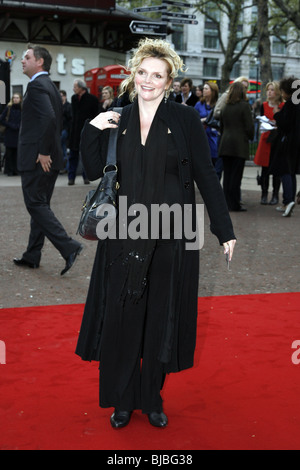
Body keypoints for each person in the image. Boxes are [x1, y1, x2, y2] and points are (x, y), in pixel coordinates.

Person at [75, 38, 236, 429]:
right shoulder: (117, 117)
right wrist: (90, 128)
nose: (149, 80)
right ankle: (124, 399)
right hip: (123, 231)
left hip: (172, 231)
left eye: (158, 75)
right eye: (143, 72)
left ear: (169, 81)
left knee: (160, 317)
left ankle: (152, 396)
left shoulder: (183, 121)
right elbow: (94, 171)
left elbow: (206, 176)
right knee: (124, 317)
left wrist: (223, 228)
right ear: (134, 75)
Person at [13, 45, 83, 274]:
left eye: (27, 57)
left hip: (39, 159)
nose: (23, 61)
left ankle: (69, 246)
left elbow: (49, 118)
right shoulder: (50, 87)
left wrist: (43, 152)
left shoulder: (36, 86)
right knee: (40, 206)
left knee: (35, 204)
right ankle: (32, 254)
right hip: (50, 159)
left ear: (40, 62)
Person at [219, 81, 255, 212]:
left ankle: (226, 202)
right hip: (239, 145)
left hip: (225, 144)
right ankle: (234, 204)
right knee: (236, 176)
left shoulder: (225, 107)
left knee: (227, 176)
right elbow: (249, 127)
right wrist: (250, 137)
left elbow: (221, 126)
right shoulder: (244, 106)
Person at [269, 76, 300, 217]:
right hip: (296, 143)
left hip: (288, 143)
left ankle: (288, 200)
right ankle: (289, 200)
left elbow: (286, 124)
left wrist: (277, 115)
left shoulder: (290, 104)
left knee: (285, 171)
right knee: (291, 172)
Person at [253, 82, 283, 205]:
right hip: (266, 140)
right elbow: (261, 120)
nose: (269, 92)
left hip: (277, 140)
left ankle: (275, 195)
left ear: (277, 92)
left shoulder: (282, 106)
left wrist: (275, 123)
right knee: (264, 169)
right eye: (268, 90)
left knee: (276, 169)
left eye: (272, 90)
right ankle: (264, 194)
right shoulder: (263, 105)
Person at [68, 79, 99, 185]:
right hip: (75, 132)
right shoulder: (73, 98)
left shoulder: (93, 99)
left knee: (86, 155)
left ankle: (86, 177)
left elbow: (96, 116)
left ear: (81, 88)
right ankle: (71, 178)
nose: (73, 89)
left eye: (75, 87)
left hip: (86, 132)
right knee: (73, 156)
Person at [194, 81, 219, 163]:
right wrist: (203, 120)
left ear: (212, 91)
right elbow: (193, 119)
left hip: (214, 137)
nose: (203, 90)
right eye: (203, 88)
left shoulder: (217, 105)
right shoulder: (199, 104)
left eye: (206, 89)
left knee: (213, 161)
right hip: (201, 137)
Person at [0, 92, 22, 176]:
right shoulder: (8, 108)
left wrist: (19, 126)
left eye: (17, 98)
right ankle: (9, 170)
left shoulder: (22, 108)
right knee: (9, 153)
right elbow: (1, 119)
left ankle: (17, 170)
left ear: (20, 99)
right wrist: (10, 125)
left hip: (18, 133)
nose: (15, 99)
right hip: (9, 133)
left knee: (17, 153)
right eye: (14, 98)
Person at [59, 90, 72, 173]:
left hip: (65, 130)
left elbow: (70, 118)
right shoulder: (57, 105)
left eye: (61, 96)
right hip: (59, 130)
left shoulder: (68, 106)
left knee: (63, 149)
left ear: (65, 96)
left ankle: (66, 167)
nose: (60, 98)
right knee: (62, 149)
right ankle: (63, 167)